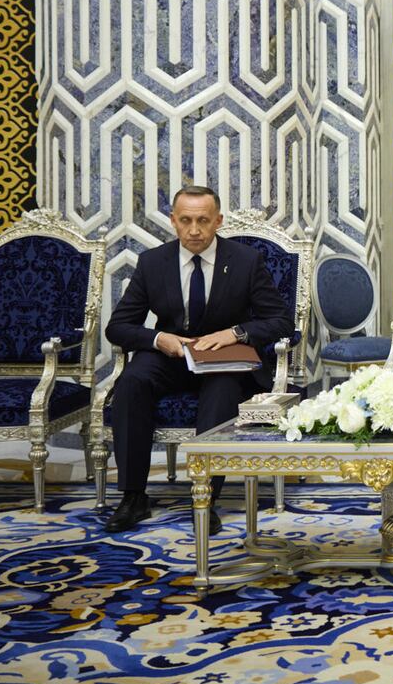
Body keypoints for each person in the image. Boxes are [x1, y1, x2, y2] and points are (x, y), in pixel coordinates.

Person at [103, 185, 293, 533]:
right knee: (131, 382)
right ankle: (133, 496)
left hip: (223, 361)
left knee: (222, 392)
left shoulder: (246, 261)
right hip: (170, 357)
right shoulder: (152, 263)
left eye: (203, 221)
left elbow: (280, 320)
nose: (194, 230)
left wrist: (235, 333)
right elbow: (118, 327)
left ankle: (204, 497)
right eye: (186, 220)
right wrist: (160, 339)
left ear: (218, 221)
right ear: (173, 221)